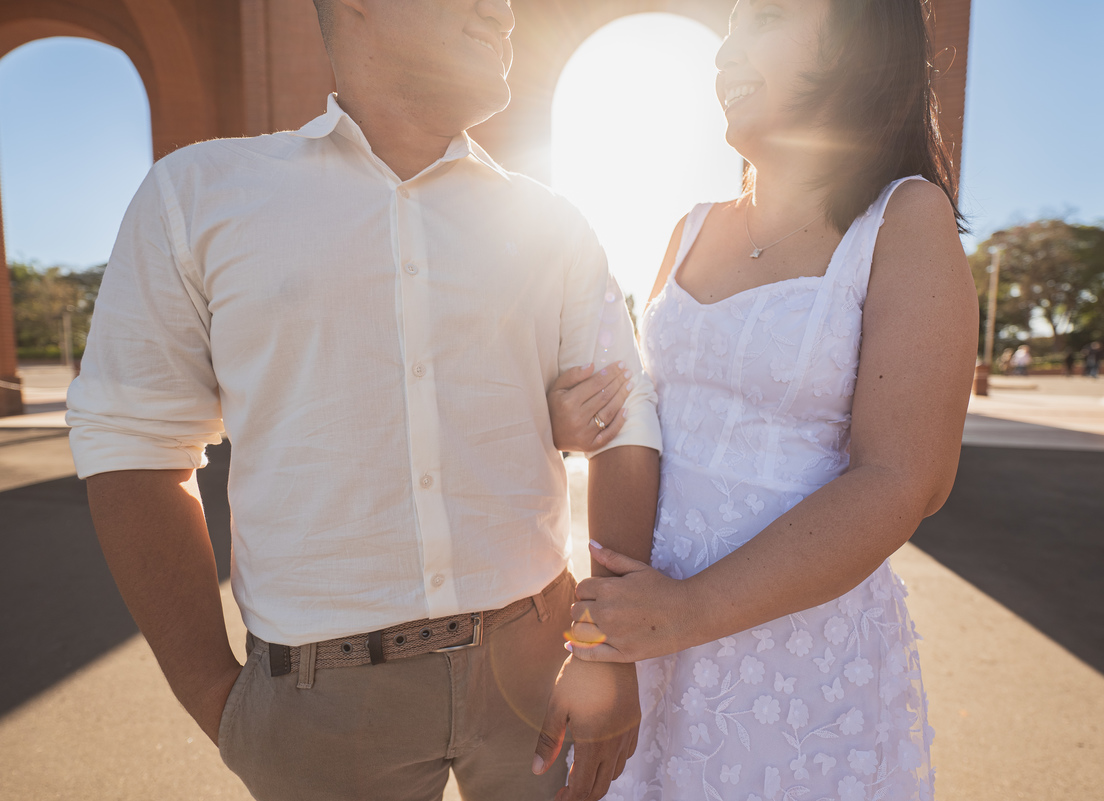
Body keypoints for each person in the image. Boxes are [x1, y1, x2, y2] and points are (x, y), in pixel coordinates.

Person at [65, 1, 662, 799]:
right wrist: (220, 701)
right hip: (320, 707)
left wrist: (607, 650)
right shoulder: (197, 196)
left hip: (540, 665)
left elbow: (629, 424)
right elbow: (132, 446)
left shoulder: (550, 220)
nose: (504, 10)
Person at [547, 1, 977, 798]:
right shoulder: (689, 228)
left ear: (855, 43)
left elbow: (906, 478)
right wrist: (601, 638)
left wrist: (688, 611)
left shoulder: (905, 219)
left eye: (768, 19)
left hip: (797, 662)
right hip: (653, 638)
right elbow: (640, 426)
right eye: (732, 27)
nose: (726, 53)